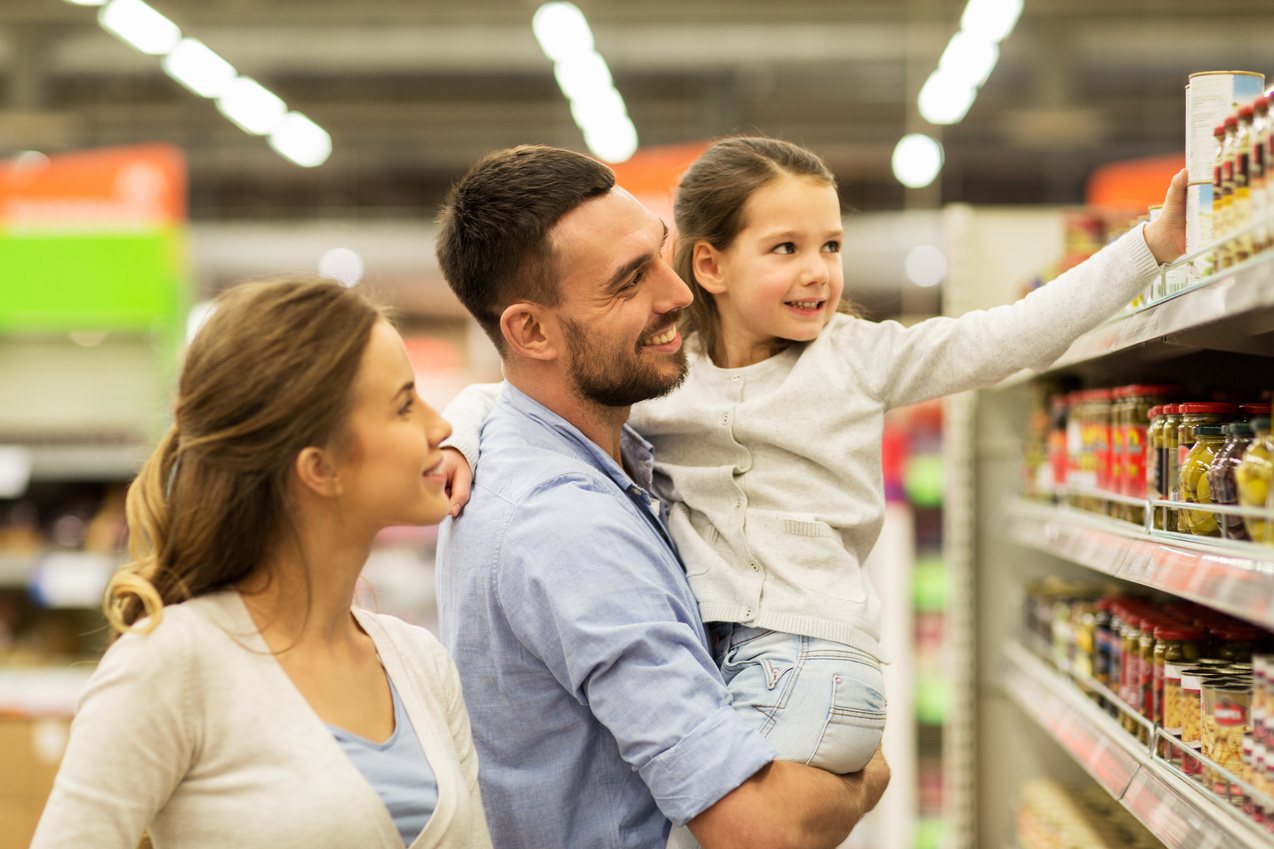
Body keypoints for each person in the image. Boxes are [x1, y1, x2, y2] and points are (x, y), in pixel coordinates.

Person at [439, 138, 1188, 843]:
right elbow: (506, 393)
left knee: (732, 825)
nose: (818, 271)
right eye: (785, 248)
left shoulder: (854, 360)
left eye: (831, 246)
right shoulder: (668, 380)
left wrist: (1150, 245)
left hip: (813, 656)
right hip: (739, 655)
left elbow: (1007, 335)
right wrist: (459, 430)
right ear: (714, 265)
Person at [433, 144, 891, 849]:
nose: (677, 291)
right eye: (627, 281)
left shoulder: (585, 456)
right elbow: (757, 829)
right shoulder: (566, 525)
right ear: (530, 330)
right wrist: (866, 777)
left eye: (658, 254)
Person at [30, 278, 492, 849]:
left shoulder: (419, 663)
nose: (440, 426)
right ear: (319, 467)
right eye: (403, 405)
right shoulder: (170, 664)